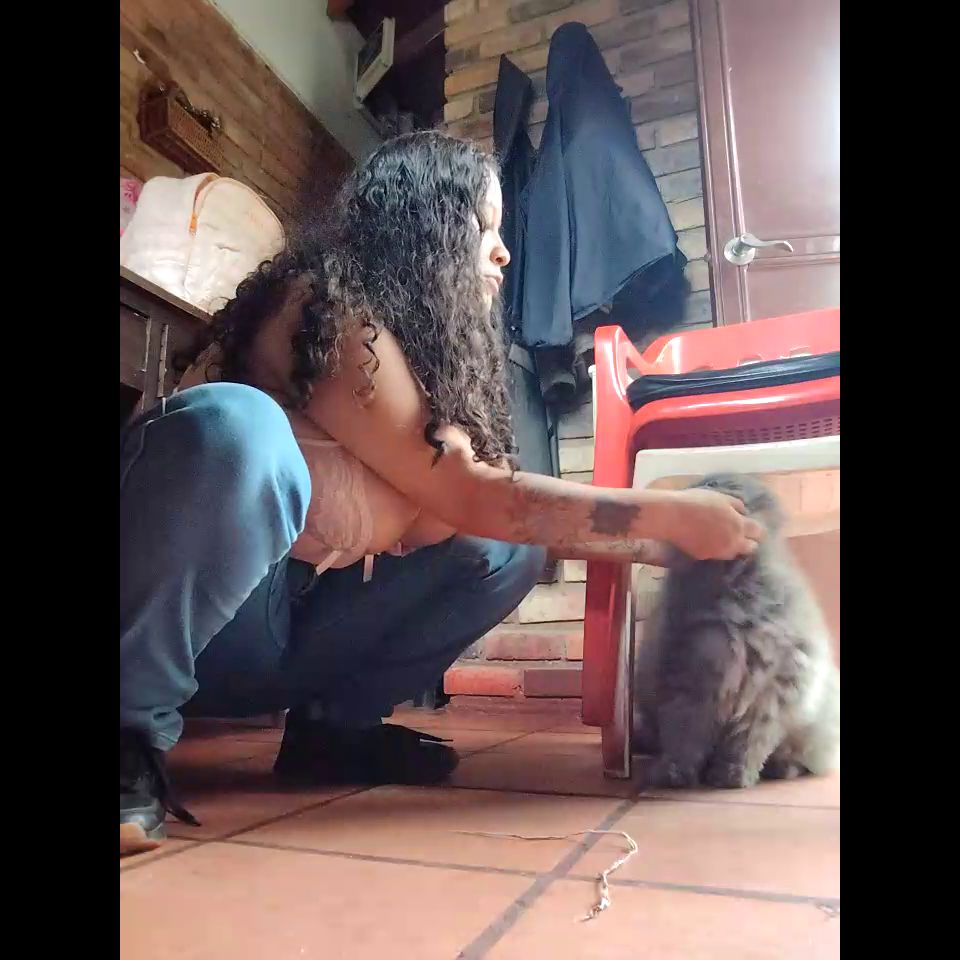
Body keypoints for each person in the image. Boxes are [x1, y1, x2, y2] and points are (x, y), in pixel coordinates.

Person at [120, 132, 762, 855]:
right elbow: (473, 492)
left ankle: (334, 730)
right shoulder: (320, 313)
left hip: (278, 641)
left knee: (502, 551)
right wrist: (668, 518)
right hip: (197, 631)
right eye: (483, 227)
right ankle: (127, 733)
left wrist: (668, 546)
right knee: (239, 426)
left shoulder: (420, 364)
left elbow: (492, 512)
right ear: (423, 224)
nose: (504, 253)